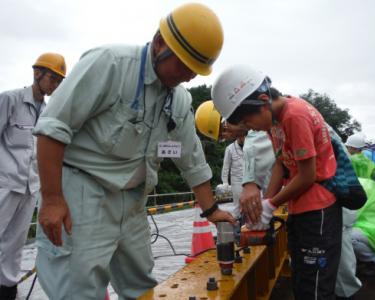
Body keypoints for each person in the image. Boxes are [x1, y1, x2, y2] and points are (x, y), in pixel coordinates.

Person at [33, 4, 234, 299]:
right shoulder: (110, 65)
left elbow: (191, 159)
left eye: (196, 70)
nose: (190, 76)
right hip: (84, 193)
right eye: (184, 65)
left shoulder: (177, 99)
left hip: (133, 201)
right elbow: (53, 128)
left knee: (141, 286)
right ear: (160, 44)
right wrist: (52, 199)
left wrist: (212, 210)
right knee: (78, 289)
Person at [212, 65, 342, 299]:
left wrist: (270, 206)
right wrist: (267, 203)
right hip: (301, 210)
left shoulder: (295, 115)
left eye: (248, 122)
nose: (250, 128)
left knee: (315, 288)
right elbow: (280, 165)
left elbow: (306, 175)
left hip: (319, 211)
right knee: (302, 280)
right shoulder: (275, 121)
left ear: (263, 100)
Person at [0, 53, 66, 300]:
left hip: (30, 188)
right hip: (5, 184)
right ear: (37, 74)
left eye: (60, 80)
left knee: (14, 244)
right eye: (53, 78)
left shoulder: (48, 113)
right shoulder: (10, 100)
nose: (55, 84)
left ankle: (7, 290)